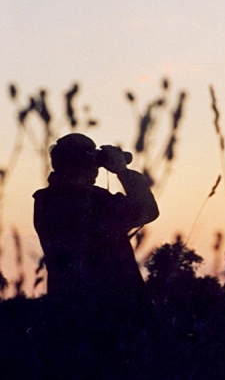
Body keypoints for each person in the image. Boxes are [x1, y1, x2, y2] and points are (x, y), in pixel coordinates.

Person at [32, 133, 159, 377]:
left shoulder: (44, 201)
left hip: (67, 314)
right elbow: (147, 210)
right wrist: (122, 171)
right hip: (114, 317)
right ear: (86, 165)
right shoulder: (92, 202)